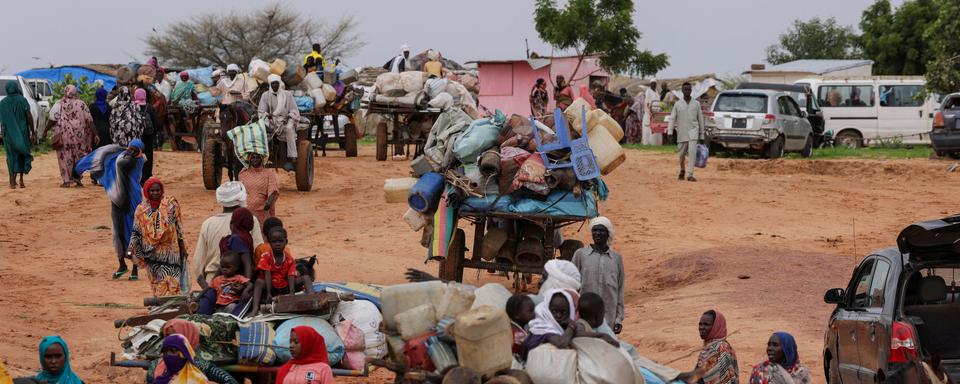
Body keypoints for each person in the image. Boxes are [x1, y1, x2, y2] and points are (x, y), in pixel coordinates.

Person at [76, 139, 146, 280]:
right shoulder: (124, 156)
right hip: (117, 199)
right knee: (118, 231)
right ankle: (122, 264)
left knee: (133, 233)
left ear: (139, 152)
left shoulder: (133, 161)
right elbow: (108, 156)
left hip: (133, 201)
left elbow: (121, 163)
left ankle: (134, 268)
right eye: (130, 148)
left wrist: (123, 153)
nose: (130, 152)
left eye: (134, 150)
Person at [193, 181, 264, 285]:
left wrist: (208, 286)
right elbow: (259, 253)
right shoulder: (249, 219)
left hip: (213, 281)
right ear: (242, 198)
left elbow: (198, 261)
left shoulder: (207, 224)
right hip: (240, 282)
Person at [129, 177, 188, 293]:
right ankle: (160, 307)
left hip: (170, 252)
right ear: (147, 192)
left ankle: (173, 306)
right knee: (156, 283)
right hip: (151, 254)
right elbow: (136, 230)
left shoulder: (171, 206)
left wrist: (182, 247)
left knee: (172, 282)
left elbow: (178, 227)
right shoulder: (141, 210)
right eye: (152, 191)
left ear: (162, 191)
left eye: (158, 190)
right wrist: (131, 248)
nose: (155, 193)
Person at [572, 216, 625, 333]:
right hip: (584, 316)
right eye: (595, 230)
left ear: (608, 233)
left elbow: (620, 289)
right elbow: (571, 284)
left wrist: (618, 319)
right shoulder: (580, 254)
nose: (597, 233)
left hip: (608, 318)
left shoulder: (616, 258)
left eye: (601, 230)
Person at [249, 227, 314, 317]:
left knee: (306, 278)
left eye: (280, 241)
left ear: (286, 242)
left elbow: (291, 275)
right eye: (274, 242)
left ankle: (312, 299)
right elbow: (267, 274)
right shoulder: (266, 256)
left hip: (285, 286)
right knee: (259, 282)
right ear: (269, 243)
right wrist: (268, 293)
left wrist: (292, 293)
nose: (277, 244)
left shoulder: (289, 259)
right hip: (271, 287)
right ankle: (255, 309)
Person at [146, 320, 237, 384]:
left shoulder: (199, 365)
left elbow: (229, 380)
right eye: (168, 335)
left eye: (176, 334)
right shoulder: (155, 366)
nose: (172, 338)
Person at [42, 85, 95, 188]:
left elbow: (53, 119)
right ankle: (77, 178)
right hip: (80, 137)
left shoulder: (59, 104)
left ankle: (67, 180)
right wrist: (95, 134)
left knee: (64, 157)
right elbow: (90, 120)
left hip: (64, 136)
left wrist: (45, 131)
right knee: (78, 156)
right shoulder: (81, 104)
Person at [675, 310, 739, 384]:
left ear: (716, 327)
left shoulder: (719, 349)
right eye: (700, 324)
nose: (701, 327)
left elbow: (699, 378)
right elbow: (697, 374)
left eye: (706, 324)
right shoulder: (711, 347)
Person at [257, 74, 299, 171]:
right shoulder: (265, 95)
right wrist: (267, 115)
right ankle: (261, 155)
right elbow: (261, 111)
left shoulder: (287, 95)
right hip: (271, 121)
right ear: (270, 84)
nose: (275, 85)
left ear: (279, 84)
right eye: (273, 83)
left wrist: (289, 116)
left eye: (276, 83)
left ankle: (292, 158)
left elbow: (294, 111)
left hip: (286, 120)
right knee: (260, 129)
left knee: (289, 130)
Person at [523, 288, 578, 357]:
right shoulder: (544, 328)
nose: (558, 315)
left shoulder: (560, 326)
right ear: (546, 310)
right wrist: (572, 326)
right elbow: (562, 343)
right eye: (554, 311)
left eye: (563, 312)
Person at [0, 81, 35, 189]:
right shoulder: (22, 100)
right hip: (22, 133)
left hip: (9, 135)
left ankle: (12, 180)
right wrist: (33, 131)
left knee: (10, 157)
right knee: (21, 154)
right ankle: (21, 180)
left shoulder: (3, 103)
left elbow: (2, 121)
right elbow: (29, 116)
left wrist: (2, 132)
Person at [669, 82, 705, 182]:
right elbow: (672, 118)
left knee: (692, 153)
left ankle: (690, 174)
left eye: (689, 89)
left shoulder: (696, 104)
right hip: (681, 133)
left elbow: (700, 119)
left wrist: (701, 135)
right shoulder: (677, 104)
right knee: (681, 155)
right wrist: (670, 132)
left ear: (691, 90)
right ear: (682, 91)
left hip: (693, 131)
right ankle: (682, 170)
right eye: (685, 89)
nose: (687, 91)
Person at [197, 251, 252, 315]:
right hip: (218, 307)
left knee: (232, 307)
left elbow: (250, 284)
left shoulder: (239, 278)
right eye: (222, 267)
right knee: (211, 310)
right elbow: (207, 289)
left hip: (230, 305)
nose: (224, 269)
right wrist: (197, 298)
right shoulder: (218, 279)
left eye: (228, 267)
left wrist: (246, 290)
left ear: (236, 267)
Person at [239, 153, 280, 224]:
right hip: (246, 211)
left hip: (262, 211)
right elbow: (239, 191)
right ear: (249, 160)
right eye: (253, 158)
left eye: (257, 158)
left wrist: (269, 202)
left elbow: (273, 189)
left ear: (262, 160)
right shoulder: (243, 174)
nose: (255, 160)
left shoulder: (268, 173)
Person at [219, 207, 257, 279]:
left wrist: (246, 283)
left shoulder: (235, 239)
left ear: (233, 223)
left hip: (236, 279)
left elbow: (247, 263)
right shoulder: (247, 237)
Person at [135, 88, 159, 183]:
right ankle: (147, 175)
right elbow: (156, 124)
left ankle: (138, 175)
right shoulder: (150, 108)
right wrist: (152, 136)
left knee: (137, 154)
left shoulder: (133, 107)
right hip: (148, 137)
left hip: (137, 137)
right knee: (148, 155)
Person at [505, 294, 536, 359]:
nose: (534, 313)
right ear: (516, 314)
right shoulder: (518, 334)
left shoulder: (511, 326)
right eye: (530, 311)